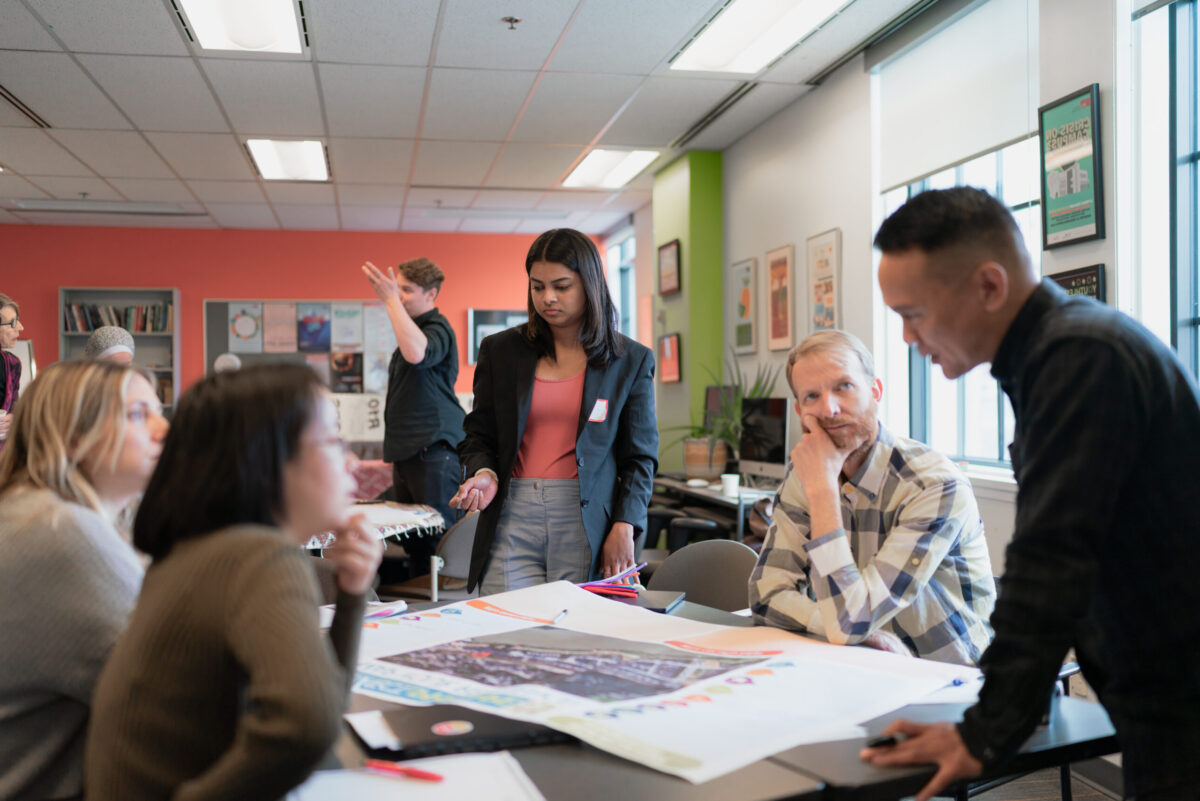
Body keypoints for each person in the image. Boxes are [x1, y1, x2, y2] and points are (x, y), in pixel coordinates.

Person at [863, 187, 1200, 801]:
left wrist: (984, 733)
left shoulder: (1078, 355)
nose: (910, 338)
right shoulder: (1054, 353)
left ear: (989, 286)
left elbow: (1050, 561)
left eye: (913, 314)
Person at [84, 364, 382, 801]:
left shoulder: (201, 550)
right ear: (272, 458)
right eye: (334, 441)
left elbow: (320, 706)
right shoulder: (258, 557)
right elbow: (309, 725)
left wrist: (352, 595)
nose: (352, 459)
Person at [749, 330, 995, 666]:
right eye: (811, 397)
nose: (829, 409)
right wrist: (851, 631)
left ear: (876, 391)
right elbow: (766, 593)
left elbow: (850, 620)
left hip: (951, 681)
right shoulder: (803, 473)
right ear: (798, 410)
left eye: (843, 387)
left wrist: (822, 491)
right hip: (861, 669)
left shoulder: (933, 485)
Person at [449, 228, 658, 594]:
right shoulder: (501, 351)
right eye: (537, 286)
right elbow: (478, 434)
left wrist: (625, 524)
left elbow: (639, 459)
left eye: (562, 286)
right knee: (506, 626)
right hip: (512, 511)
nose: (548, 298)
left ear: (589, 284)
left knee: (572, 632)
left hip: (584, 517)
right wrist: (485, 472)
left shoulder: (630, 361)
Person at [0, 360, 165, 801]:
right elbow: (178, 691)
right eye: (137, 414)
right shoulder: (60, 530)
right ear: (74, 437)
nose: (163, 429)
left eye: (158, 410)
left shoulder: (40, 510)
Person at [362, 257, 465, 576]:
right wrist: (396, 300)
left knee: (437, 541)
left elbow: (416, 353)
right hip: (410, 453)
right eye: (398, 289)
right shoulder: (414, 329)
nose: (398, 294)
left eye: (406, 289)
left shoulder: (438, 328)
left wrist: (389, 299)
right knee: (416, 542)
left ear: (431, 295)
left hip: (434, 450)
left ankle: (446, 613)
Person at [0, 293, 25, 448]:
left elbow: (16, 408)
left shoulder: (13, 364)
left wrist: (14, 419)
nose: (21, 327)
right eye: (12, 323)